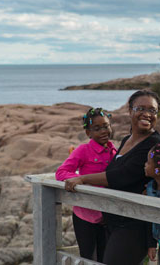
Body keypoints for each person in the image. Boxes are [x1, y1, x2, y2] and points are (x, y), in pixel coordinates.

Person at [65, 90, 160, 265]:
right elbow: (114, 170)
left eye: (153, 110)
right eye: (141, 108)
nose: (147, 114)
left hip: (134, 223)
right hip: (113, 220)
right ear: (130, 110)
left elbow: (121, 176)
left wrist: (82, 179)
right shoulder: (127, 139)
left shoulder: (154, 144)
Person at [55, 107, 117, 261]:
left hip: (108, 216)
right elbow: (61, 172)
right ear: (88, 133)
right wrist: (81, 181)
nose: (103, 131)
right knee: (88, 257)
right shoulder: (83, 150)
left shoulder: (114, 152)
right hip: (85, 216)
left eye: (106, 126)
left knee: (105, 257)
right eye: (97, 128)